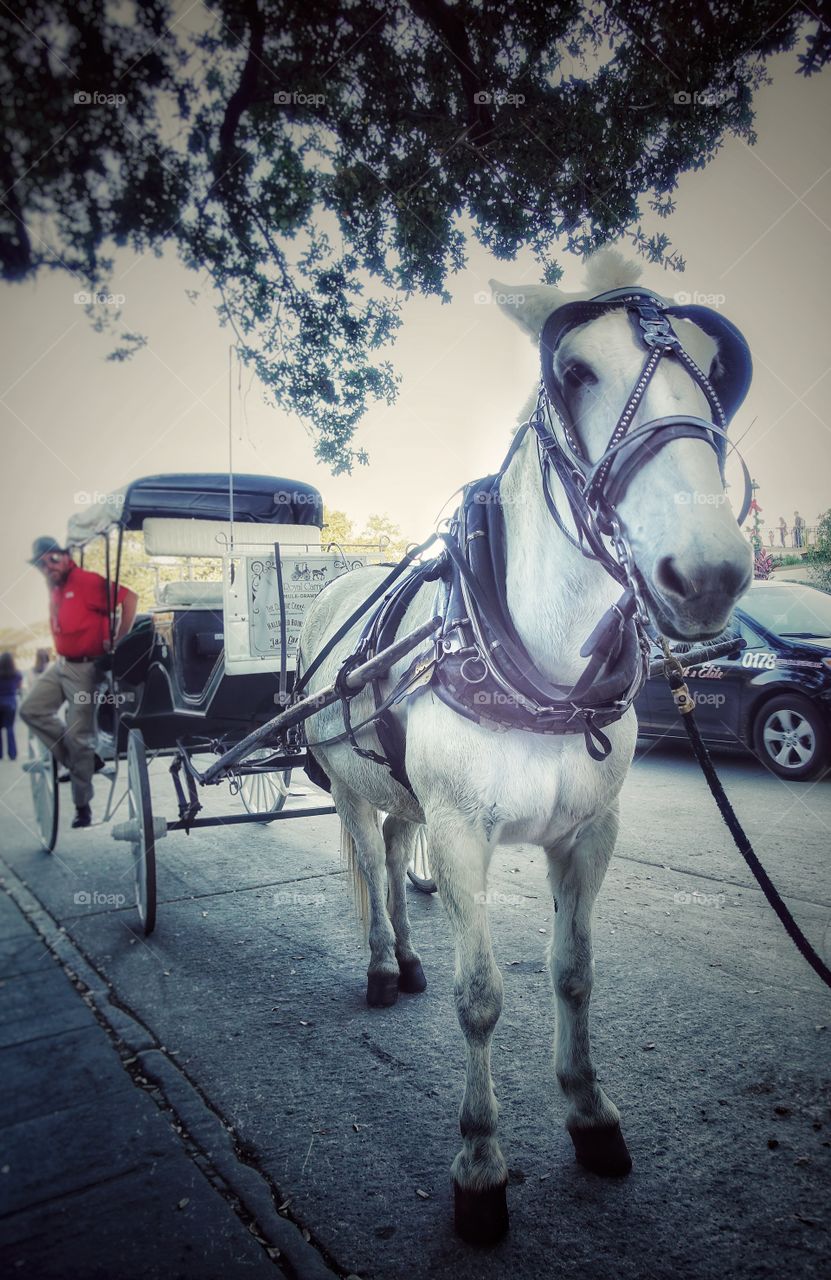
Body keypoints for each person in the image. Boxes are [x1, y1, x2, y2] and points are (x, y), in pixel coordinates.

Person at [20, 538, 138, 828]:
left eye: (52, 560)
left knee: (79, 736)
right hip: (61, 664)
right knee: (30, 710)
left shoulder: (86, 581)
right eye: (41, 564)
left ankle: (82, 806)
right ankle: (82, 762)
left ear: (64, 557)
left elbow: (130, 598)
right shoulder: (56, 587)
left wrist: (120, 640)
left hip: (86, 669)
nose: (47, 568)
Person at [0, 652, 23, 761]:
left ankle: (0, 754)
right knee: (10, 728)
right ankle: (12, 754)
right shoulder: (17, 674)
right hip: (11, 703)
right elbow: (19, 687)